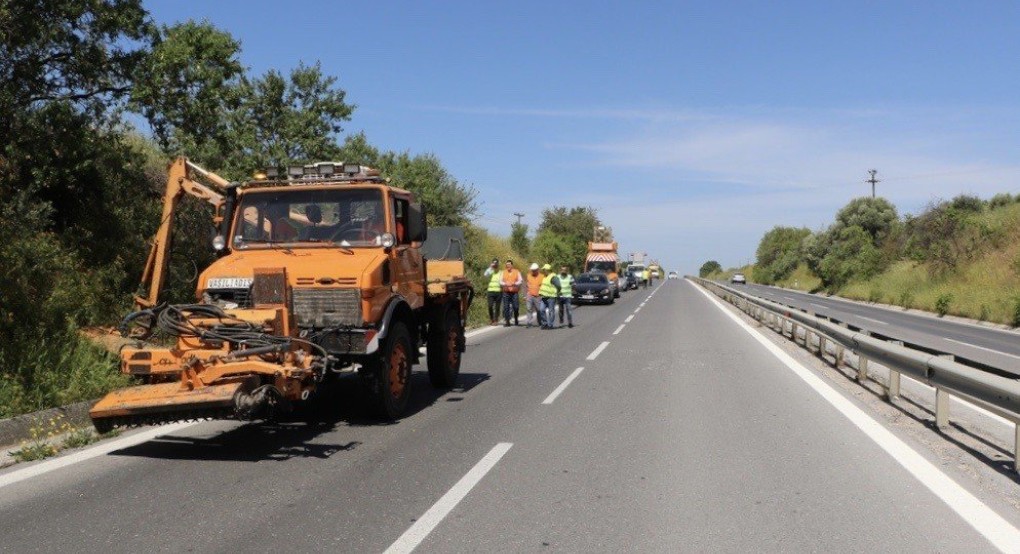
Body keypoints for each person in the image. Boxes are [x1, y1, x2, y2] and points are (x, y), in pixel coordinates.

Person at [500, 259, 523, 326]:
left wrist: (514, 283)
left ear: (512, 265)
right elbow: (500, 281)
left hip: (514, 292)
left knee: (516, 307)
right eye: (507, 265)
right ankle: (507, 321)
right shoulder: (503, 272)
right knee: (506, 307)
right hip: (506, 292)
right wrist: (505, 284)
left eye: (509, 264)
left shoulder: (517, 272)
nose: (508, 266)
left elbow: (520, 280)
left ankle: (516, 318)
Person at [538, 264, 561, 329]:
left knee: (551, 311)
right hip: (544, 297)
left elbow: (559, 286)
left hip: (551, 297)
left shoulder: (553, 277)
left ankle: (550, 325)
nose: (543, 271)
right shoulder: (545, 276)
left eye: (544, 270)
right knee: (541, 310)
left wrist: (557, 292)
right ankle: (544, 323)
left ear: (547, 270)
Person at [524, 262, 545, 328]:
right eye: (532, 270)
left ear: (537, 270)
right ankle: (529, 322)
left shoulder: (542, 276)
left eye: (534, 270)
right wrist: (525, 295)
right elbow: (526, 286)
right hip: (529, 295)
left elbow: (544, 286)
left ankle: (540, 321)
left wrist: (543, 295)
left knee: (539, 309)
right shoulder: (528, 275)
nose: (533, 271)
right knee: (529, 308)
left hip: (538, 296)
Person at [483, 258, 502, 325]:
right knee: (490, 306)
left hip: (499, 292)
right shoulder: (490, 271)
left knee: (497, 307)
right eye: (494, 264)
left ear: (498, 265)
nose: (495, 265)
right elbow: (485, 275)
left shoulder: (501, 272)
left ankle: (496, 320)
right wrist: (490, 267)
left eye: (496, 264)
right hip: (490, 292)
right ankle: (491, 319)